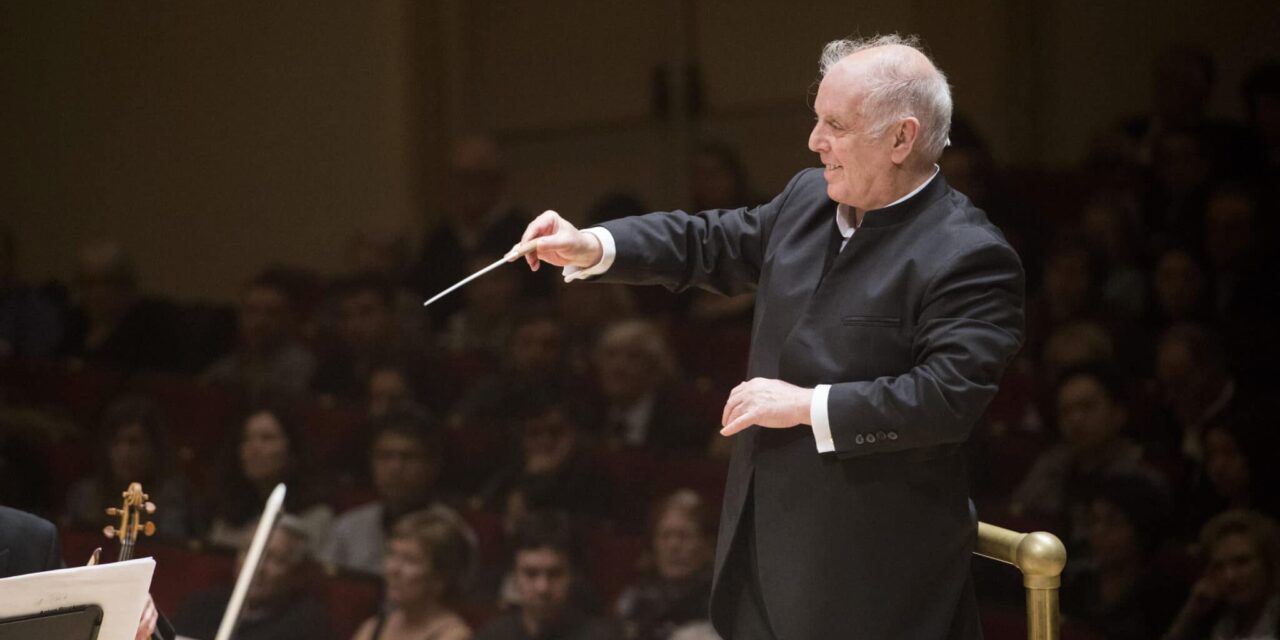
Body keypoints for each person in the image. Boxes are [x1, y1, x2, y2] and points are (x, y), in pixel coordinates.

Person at [516, 34, 1024, 639]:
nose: (815, 142)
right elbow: (707, 241)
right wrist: (594, 244)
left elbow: (946, 399)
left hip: (871, 579)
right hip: (760, 553)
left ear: (901, 138)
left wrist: (807, 406)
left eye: (835, 125)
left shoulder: (970, 254)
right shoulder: (808, 197)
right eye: (817, 121)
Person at [323, 411, 475, 576]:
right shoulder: (348, 527)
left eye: (408, 457)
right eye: (385, 456)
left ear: (433, 465)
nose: (395, 468)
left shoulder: (451, 533)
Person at [173, 516, 333, 640]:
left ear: (298, 574)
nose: (257, 567)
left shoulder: (307, 624)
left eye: (275, 558)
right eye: (249, 552)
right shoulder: (202, 604)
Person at [473, 512, 618, 640]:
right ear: (514, 577)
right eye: (530, 574)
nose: (543, 588)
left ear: (573, 576)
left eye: (555, 574)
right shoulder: (493, 635)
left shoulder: (603, 637)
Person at [351, 510, 474, 640]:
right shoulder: (373, 627)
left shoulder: (454, 636)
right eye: (392, 554)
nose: (393, 569)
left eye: (410, 560)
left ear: (440, 577)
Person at [1163, 509, 1280, 640]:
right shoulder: (1220, 624)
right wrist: (1187, 617)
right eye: (1219, 567)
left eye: (1242, 562)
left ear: (1268, 563)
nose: (1230, 576)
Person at [614, 490, 715, 640]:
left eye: (684, 535)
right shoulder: (633, 601)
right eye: (665, 535)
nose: (673, 546)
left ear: (706, 544)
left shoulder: (720, 601)